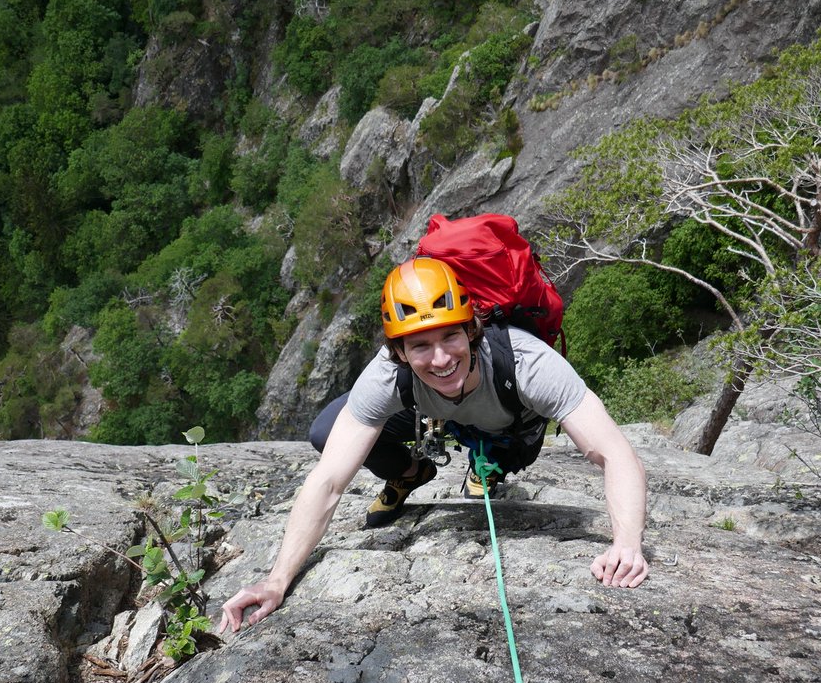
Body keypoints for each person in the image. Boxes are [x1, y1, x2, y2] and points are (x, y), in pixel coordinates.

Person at [219, 257, 648, 633]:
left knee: (496, 447)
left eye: (450, 338)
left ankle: (489, 463)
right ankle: (409, 472)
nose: (440, 358)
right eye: (420, 345)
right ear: (399, 352)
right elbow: (329, 479)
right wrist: (276, 580)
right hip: (439, 412)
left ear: (472, 329)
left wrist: (626, 544)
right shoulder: (388, 375)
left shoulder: (529, 364)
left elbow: (615, 453)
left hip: (509, 427)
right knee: (326, 430)